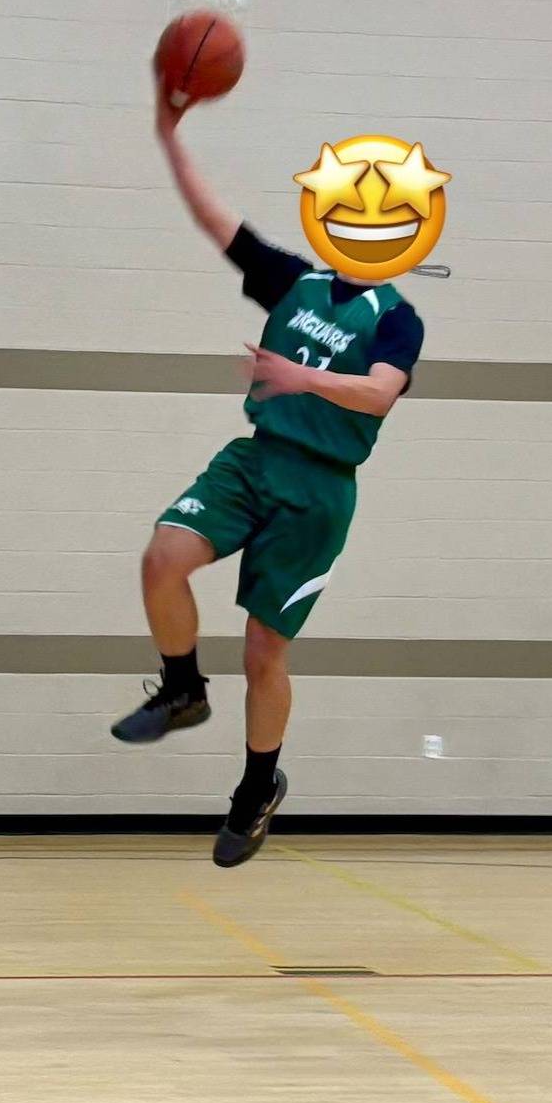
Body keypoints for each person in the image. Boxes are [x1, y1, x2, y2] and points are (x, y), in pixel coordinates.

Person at [112, 88, 425, 867]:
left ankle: (257, 788)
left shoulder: (398, 317)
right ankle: (182, 686)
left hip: (319, 490)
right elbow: (215, 220)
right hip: (256, 459)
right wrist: (167, 133)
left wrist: (300, 378)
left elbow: (381, 393)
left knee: (263, 651)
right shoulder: (294, 282)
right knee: (162, 556)